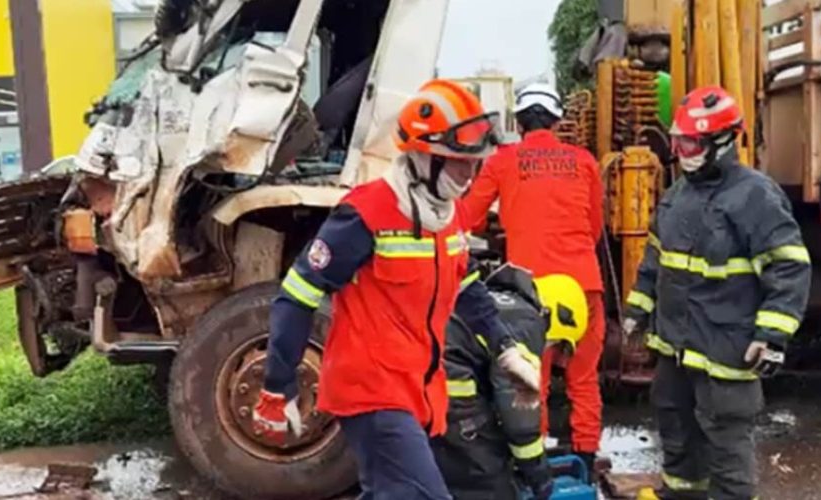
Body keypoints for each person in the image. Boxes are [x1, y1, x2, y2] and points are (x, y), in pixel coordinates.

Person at [251, 79, 542, 499]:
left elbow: (467, 285)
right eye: (458, 163)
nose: (469, 176)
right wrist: (278, 385)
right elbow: (297, 295)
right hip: (372, 392)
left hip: (418, 391)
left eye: (475, 164)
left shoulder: (449, 216)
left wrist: (506, 349)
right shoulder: (365, 213)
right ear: (423, 157)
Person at [623, 86, 811, 500]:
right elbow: (655, 261)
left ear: (723, 142)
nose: (682, 153)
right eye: (678, 143)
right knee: (677, 436)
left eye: (692, 143)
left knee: (728, 451)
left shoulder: (755, 196)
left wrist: (772, 336)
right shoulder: (677, 195)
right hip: (676, 348)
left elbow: (788, 266)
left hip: (726, 349)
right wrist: (637, 310)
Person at [464, 82, 606, 471]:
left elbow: (468, 218)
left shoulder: (502, 161)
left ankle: (535, 460)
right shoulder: (584, 161)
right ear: (557, 121)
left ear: (520, 122)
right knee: (583, 376)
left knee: (531, 379)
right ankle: (586, 455)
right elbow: (594, 226)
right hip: (583, 284)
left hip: (531, 289)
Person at [432, 264, 589, 500]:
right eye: (558, 344)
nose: (551, 350)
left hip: (427, 390)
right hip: (454, 396)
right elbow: (517, 412)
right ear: (560, 316)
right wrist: (538, 473)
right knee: (489, 483)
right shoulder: (528, 321)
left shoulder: (500, 302)